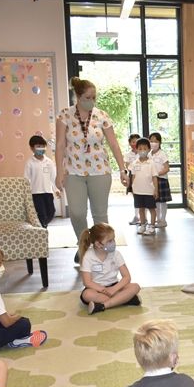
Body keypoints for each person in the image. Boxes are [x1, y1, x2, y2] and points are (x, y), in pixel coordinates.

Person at [54, 77, 129, 262]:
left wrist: (122, 169)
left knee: (100, 215)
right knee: (77, 212)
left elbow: (113, 143)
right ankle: (84, 246)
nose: (92, 101)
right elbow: (60, 145)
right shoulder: (65, 115)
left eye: (94, 97)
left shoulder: (101, 115)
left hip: (100, 171)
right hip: (73, 171)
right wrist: (58, 172)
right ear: (78, 97)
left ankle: (102, 250)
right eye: (88, 97)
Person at [78, 222, 141, 314]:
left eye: (113, 239)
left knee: (135, 286)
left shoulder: (116, 254)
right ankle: (124, 299)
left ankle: (102, 306)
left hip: (114, 286)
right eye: (109, 241)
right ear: (98, 244)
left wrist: (114, 289)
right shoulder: (88, 256)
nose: (113, 243)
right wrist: (103, 290)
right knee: (87, 294)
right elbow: (87, 282)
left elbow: (127, 277)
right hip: (97, 288)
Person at [24, 134, 59, 228]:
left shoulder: (49, 162)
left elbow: (53, 177)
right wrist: (27, 193)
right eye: (38, 146)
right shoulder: (30, 163)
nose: (41, 148)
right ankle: (42, 229)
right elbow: (26, 179)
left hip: (48, 192)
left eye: (43, 146)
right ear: (32, 148)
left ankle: (42, 225)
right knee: (42, 214)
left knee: (51, 212)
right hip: (36, 193)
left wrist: (56, 190)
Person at [128, 138, 158, 236]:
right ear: (136, 149)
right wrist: (132, 188)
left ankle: (152, 226)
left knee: (151, 209)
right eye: (140, 149)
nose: (142, 151)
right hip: (138, 191)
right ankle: (143, 224)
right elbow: (133, 176)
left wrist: (156, 190)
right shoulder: (135, 163)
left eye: (144, 148)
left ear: (149, 149)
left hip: (149, 191)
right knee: (141, 209)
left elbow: (154, 177)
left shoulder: (151, 163)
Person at [148, 132, 171, 228]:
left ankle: (163, 220)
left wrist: (157, 174)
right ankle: (158, 219)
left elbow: (167, 168)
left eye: (156, 141)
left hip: (161, 180)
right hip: (152, 181)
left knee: (162, 202)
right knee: (155, 201)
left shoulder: (162, 154)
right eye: (151, 141)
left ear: (160, 142)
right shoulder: (149, 154)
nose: (153, 143)